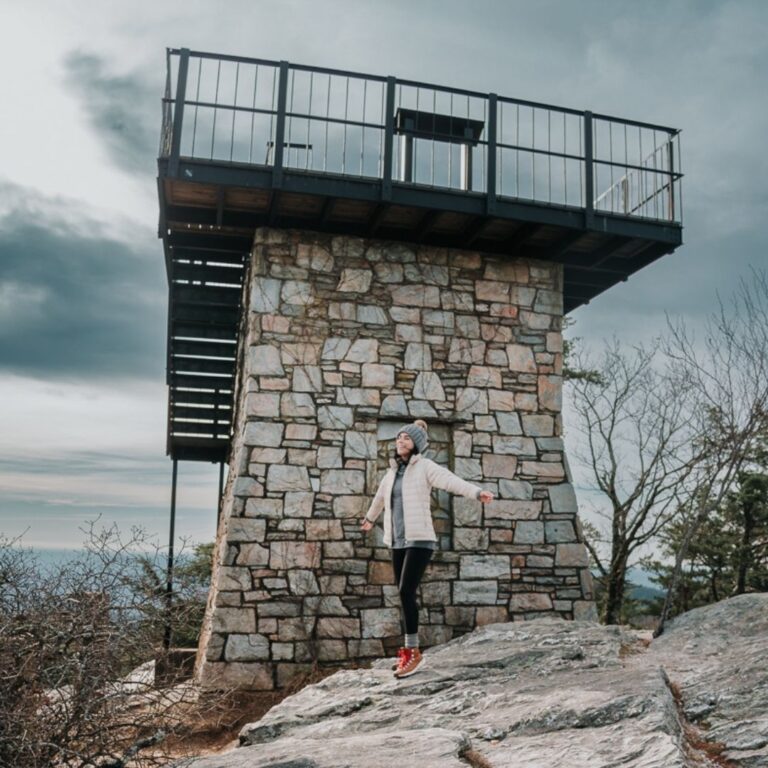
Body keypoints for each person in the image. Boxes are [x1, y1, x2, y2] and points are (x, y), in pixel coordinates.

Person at [360, 419, 494, 678]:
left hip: (420, 540)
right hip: (398, 540)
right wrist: (369, 519)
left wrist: (476, 493)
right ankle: (408, 651)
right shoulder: (392, 472)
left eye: (406, 438)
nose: (400, 441)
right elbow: (379, 498)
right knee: (403, 594)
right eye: (398, 437)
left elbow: (451, 481)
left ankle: (412, 652)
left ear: (416, 445)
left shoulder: (425, 467)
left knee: (406, 590)